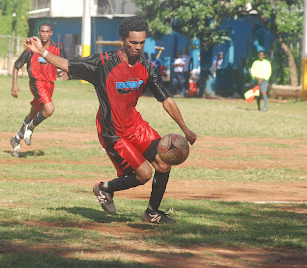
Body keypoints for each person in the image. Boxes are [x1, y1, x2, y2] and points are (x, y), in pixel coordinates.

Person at [23, 16, 197, 224]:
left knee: (163, 165)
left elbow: (166, 100)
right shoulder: (103, 63)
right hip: (112, 131)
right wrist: (41, 51)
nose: (138, 47)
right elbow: (67, 64)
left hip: (136, 126)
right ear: (123, 39)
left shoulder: (147, 67)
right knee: (144, 174)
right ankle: (104, 188)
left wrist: (184, 129)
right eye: (133, 43)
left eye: (142, 43)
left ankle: (152, 212)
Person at [10, 22, 68, 157]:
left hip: (50, 84)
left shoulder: (58, 47)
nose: (45, 34)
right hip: (36, 83)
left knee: (33, 113)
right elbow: (16, 65)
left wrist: (67, 72)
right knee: (49, 109)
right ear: (38, 32)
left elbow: (66, 62)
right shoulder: (32, 48)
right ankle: (30, 127)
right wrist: (14, 84)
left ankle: (16, 139)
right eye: (42, 31)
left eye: (47, 32)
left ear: (51, 33)